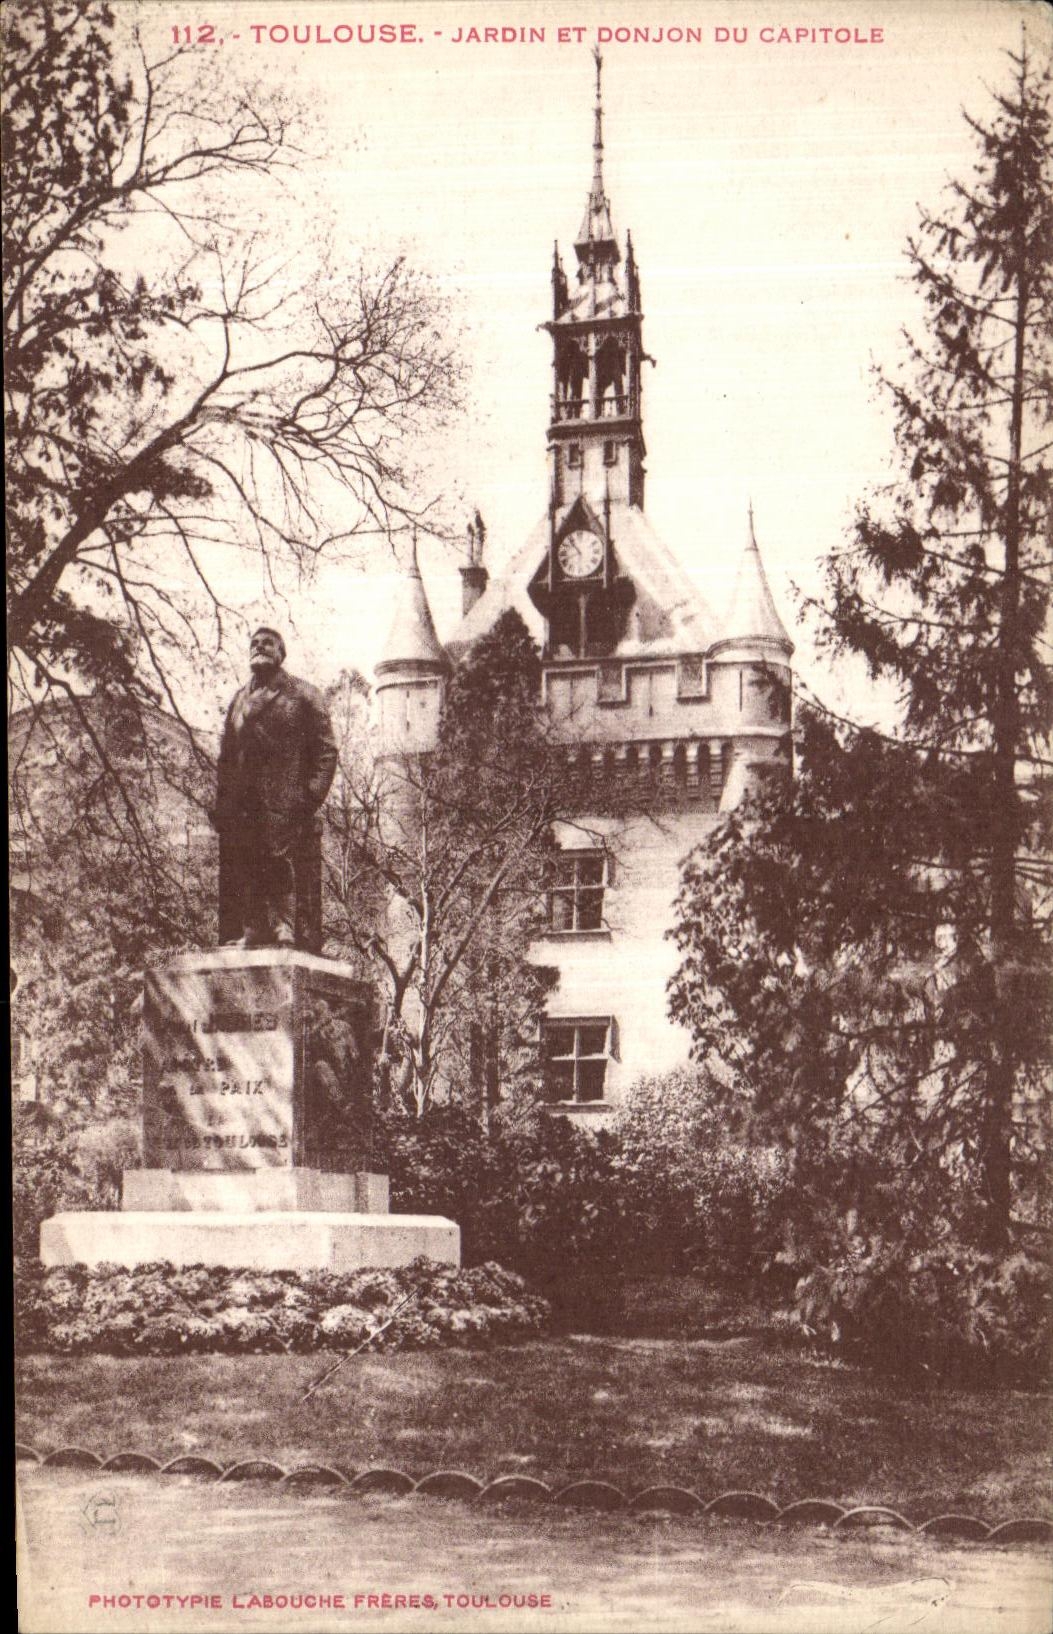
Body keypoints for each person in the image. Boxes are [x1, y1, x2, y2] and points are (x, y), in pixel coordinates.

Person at [213, 628, 337, 949]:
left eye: (267, 643)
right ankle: (253, 927)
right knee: (247, 863)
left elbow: (326, 751)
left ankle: (285, 927)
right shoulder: (238, 701)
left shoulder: (303, 694)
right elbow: (227, 756)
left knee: (280, 864)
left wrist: (309, 795)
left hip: (285, 799)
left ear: (282, 653)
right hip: (245, 804)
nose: (259, 647)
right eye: (254, 643)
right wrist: (223, 801)